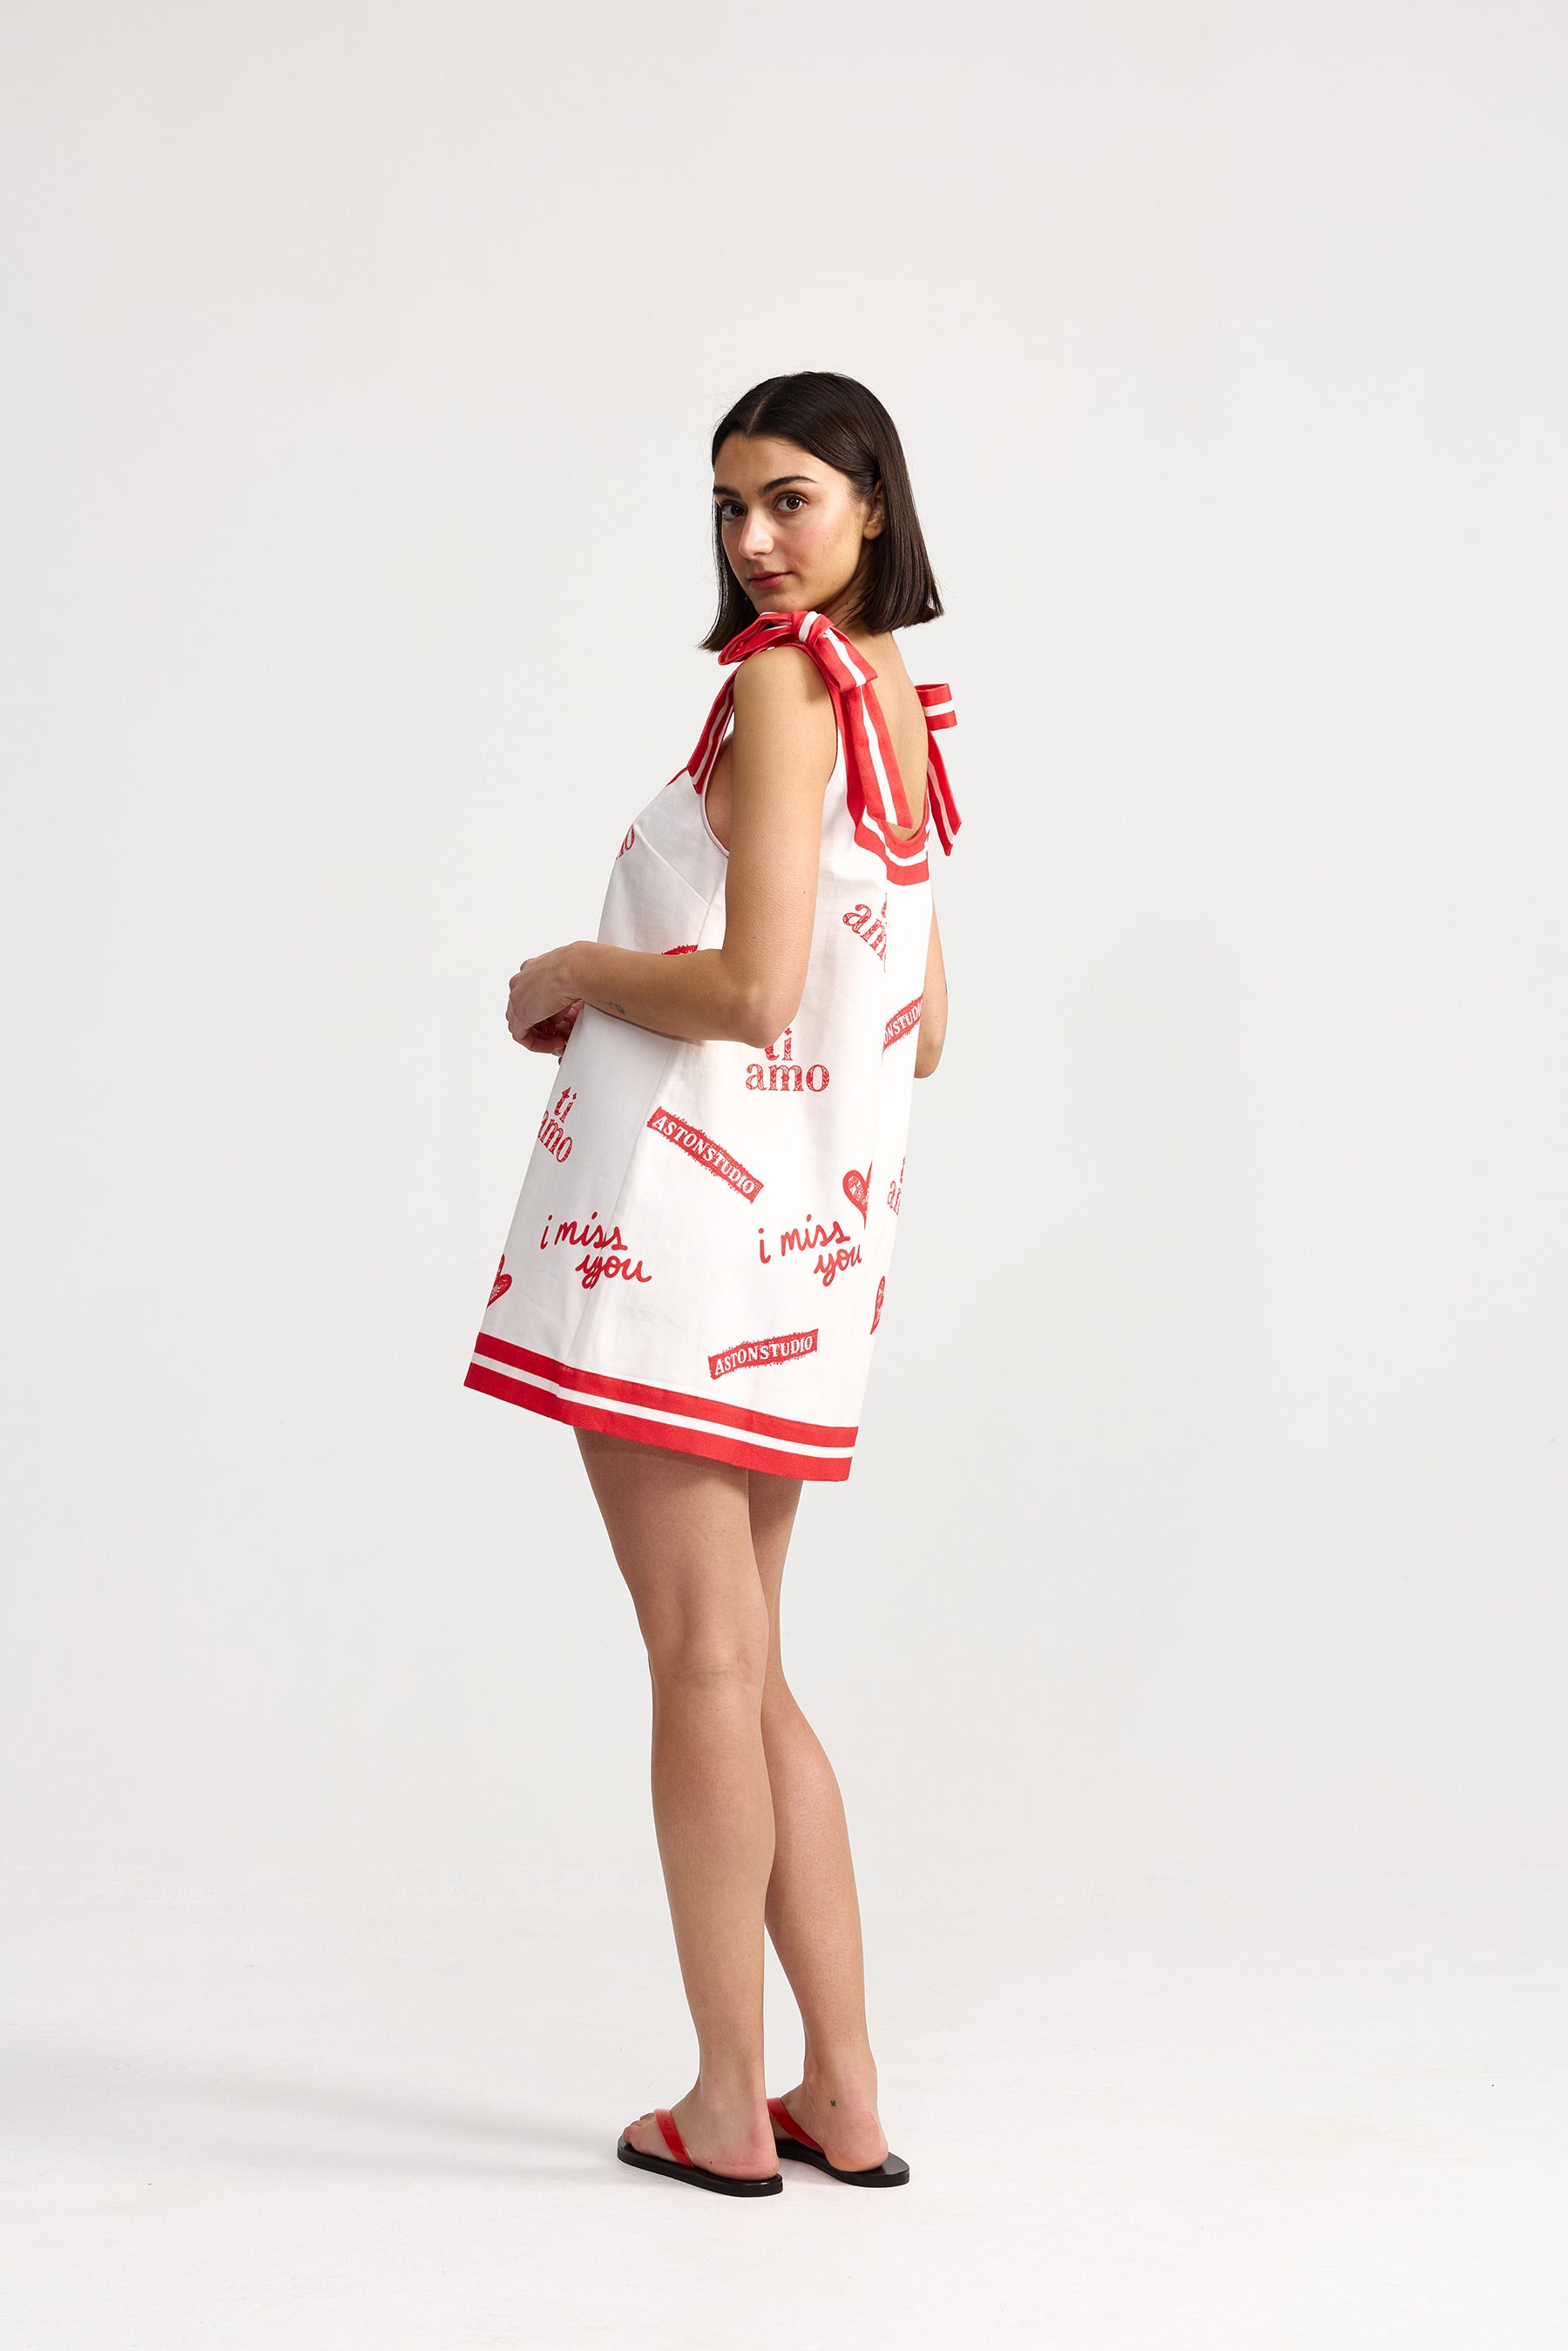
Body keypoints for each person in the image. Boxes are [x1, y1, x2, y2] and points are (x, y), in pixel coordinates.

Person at [464, 371, 963, 2196]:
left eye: (792, 500)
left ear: (873, 505)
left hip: (679, 1247)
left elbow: (752, 994)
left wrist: (574, 968)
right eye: (730, 504)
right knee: (748, 1669)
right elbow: (922, 1025)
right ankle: (846, 2093)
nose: (754, 538)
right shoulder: (893, 700)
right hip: (803, 1257)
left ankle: (730, 2102)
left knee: (701, 1662)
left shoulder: (777, 687)